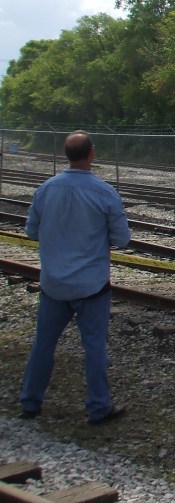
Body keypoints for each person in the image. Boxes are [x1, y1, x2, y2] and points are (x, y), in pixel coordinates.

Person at [20, 131, 132, 425]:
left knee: (43, 344)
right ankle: (98, 407)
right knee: (94, 346)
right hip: (91, 285)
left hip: (53, 284)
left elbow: (31, 231)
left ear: (67, 154)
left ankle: (30, 402)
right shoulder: (105, 193)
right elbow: (122, 239)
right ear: (91, 153)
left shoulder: (45, 190)